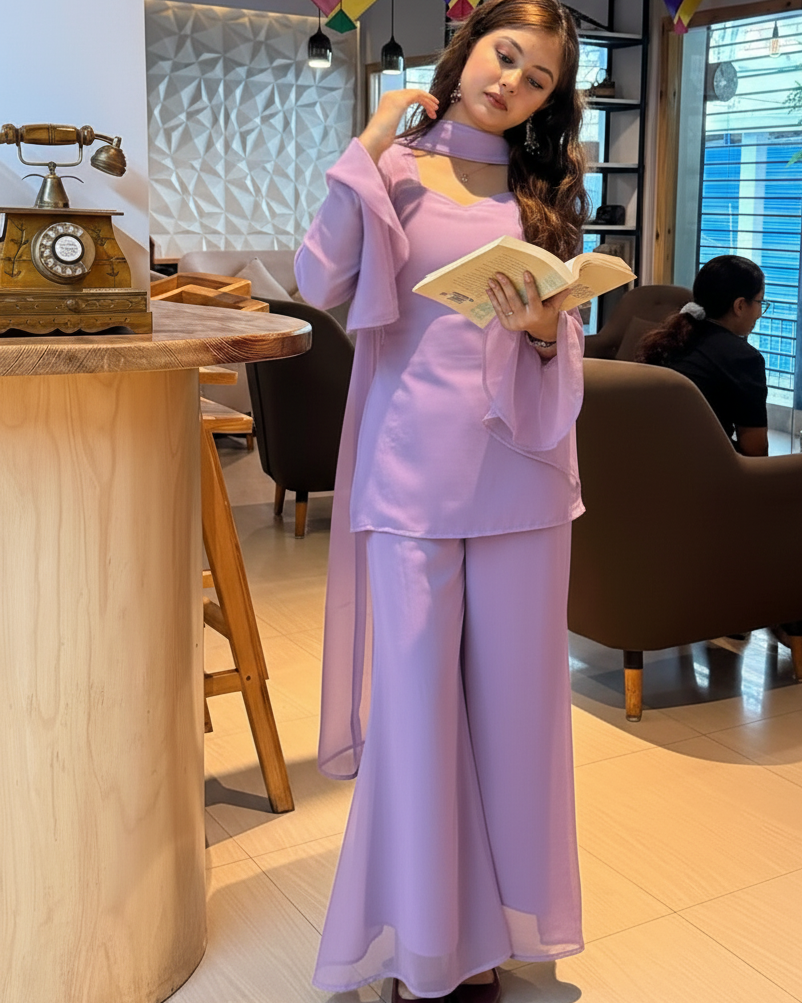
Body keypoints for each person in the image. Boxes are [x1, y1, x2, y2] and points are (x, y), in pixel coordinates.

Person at [294, 3, 589, 1000]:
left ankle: (491, 938)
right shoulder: (396, 170)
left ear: (550, 100)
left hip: (522, 482)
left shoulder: (543, 192)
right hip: (411, 480)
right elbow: (318, 276)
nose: (512, 83)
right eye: (506, 57)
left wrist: (547, 329)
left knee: (515, 720)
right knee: (417, 715)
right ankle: (426, 944)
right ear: (466, 51)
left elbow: (556, 344)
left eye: (538, 78)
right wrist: (369, 145)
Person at [635, 255, 769, 457]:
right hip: (705, 472)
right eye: (760, 302)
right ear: (740, 305)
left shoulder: (670, 339)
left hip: (649, 458)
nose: (760, 313)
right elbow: (756, 451)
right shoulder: (744, 358)